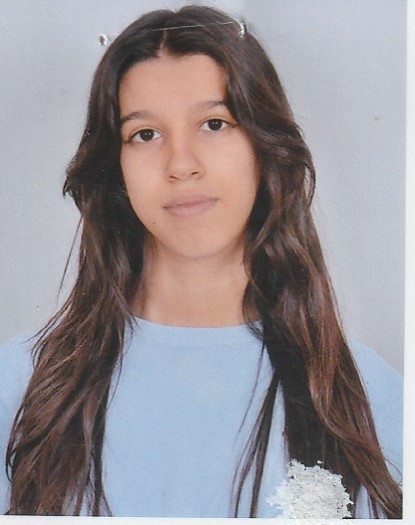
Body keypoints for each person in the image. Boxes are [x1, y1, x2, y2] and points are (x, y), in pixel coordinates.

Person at [0, 5, 402, 519]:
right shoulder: (24, 387)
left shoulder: (364, 397)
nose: (181, 165)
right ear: (114, 167)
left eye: (214, 123)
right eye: (145, 134)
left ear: (264, 146)